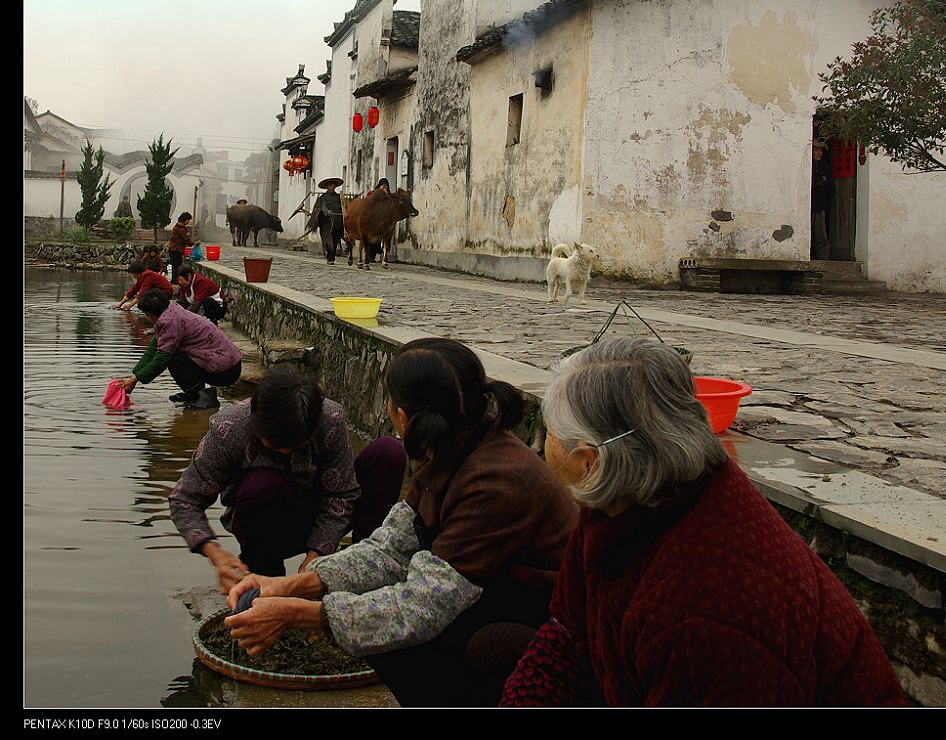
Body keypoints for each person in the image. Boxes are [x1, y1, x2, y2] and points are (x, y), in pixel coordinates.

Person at [501, 337, 906, 707]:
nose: (543, 443)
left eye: (550, 432)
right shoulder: (619, 500)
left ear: (589, 461)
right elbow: (567, 639)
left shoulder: (703, 613)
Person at [224, 338, 578, 707]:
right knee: (373, 622)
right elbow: (390, 549)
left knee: (403, 639)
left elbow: (423, 606)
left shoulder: (495, 482)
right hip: (489, 592)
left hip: (543, 619)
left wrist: (301, 614)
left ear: (402, 416)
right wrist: (288, 586)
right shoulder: (451, 446)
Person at [169, 365, 407, 594]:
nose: (286, 452)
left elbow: (342, 494)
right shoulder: (229, 428)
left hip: (319, 513)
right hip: (264, 520)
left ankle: (361, 565)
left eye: (297, 446)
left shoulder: (330, 418)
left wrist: (316, 558)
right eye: (275, 446)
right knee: (261, 487)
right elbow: (185, 499)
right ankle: (264, 573)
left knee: (388, 452)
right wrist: (216, 554)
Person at [115, 288, 242, 409]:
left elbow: (161, 359)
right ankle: (194, 394)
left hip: (226, 371)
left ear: (150, 314)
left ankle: (205, 397)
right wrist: (135, 375)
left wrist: (136, 380)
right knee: (171, 354)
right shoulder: (171, 309)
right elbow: (153, 349)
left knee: (173, 357)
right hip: (227, 364)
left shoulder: (169, 321)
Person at [308, 177, 345, 265]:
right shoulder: (323, 197)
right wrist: (327, 212)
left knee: (335, 239)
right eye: (330, 185)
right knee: (328, 240)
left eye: (333, 185)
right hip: (326, 222)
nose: (331, 186)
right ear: (327, 187)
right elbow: (323, 207)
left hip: (337, 221)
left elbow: (343, 207)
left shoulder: (338, 197)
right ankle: (329, 256)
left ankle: (332, 257)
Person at [811, 139, 831, 261]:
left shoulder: (824, 166)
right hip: (809, 204)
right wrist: (819, 180)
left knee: (821, 235)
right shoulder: (808, 165)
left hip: (820, 205)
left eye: (820, 150)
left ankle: (824, 260)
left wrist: (821, 181)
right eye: (816, 150)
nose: (819, 153)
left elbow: (829, 184)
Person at [167, 212, 194, 281]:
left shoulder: (177, 226)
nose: (188, 222)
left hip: (172, 249)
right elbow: (184, 239)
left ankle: (174, 280)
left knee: (174, 266)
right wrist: (193, 243)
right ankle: (175, 280)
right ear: (185, 219)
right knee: (177, 266)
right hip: (176, 249)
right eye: (188, 220)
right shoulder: (181, 228)